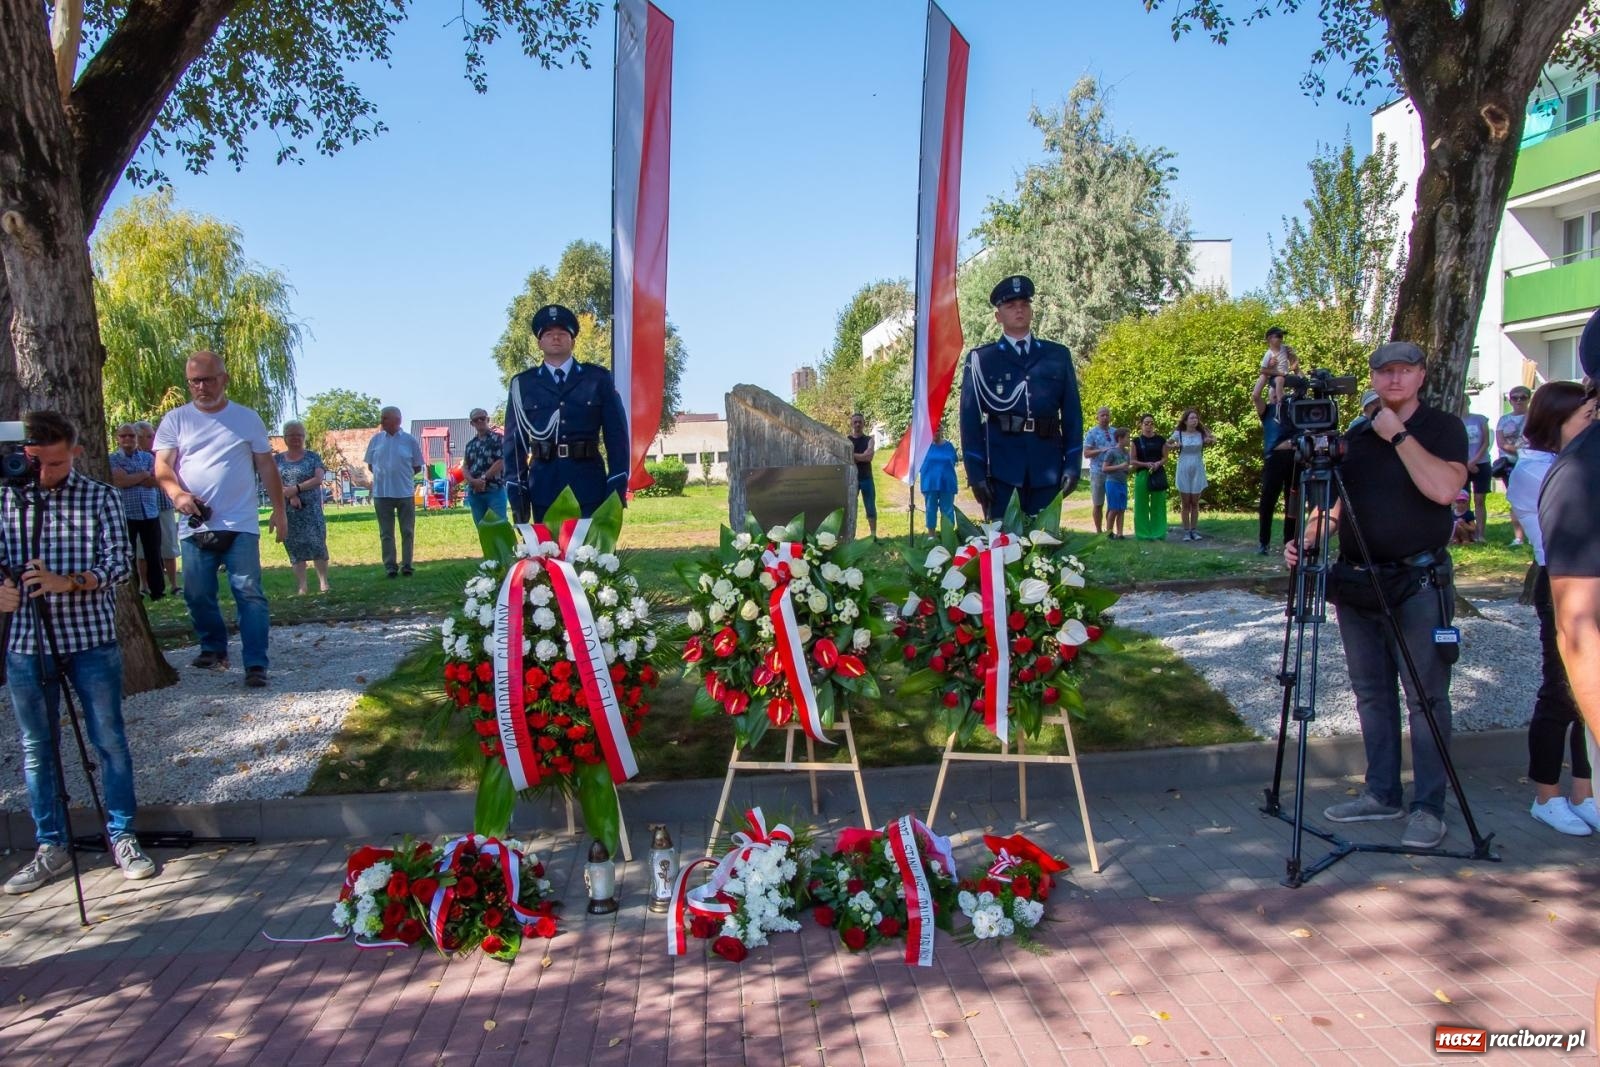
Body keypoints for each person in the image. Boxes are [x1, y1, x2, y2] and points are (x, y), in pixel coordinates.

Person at [1286, 341, 1467, 850]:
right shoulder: (1356, 438)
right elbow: (1332, 512)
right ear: (1373, 377)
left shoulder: (1442, 429)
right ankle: (1382, 793)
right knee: (1371, 693)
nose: (1394, 379)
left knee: (1426, 697)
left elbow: (1442, 490)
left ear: (1421, 375)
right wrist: (1306, 540)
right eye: (1385, 371)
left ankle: (1429, 807)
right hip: (1358, 582)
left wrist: (1399, 436)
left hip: (1419, 585)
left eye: (1404, 370)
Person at [0, 410, 155, 893]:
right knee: (37, 746)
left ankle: (122, 836)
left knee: (109, 740)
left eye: (56, 463)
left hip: (90, 641)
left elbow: (119, 564)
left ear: (76, 453)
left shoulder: (100, 496)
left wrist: (69, 582)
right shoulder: (5, 497)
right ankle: (50, 845)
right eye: (36, 462)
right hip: (26, 643)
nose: (45, 473)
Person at [154, 351, 286, 689]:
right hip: (195, 522)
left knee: (249, 592)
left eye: (208, 380)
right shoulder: (175, 420)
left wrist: (279, 509)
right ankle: (213, 647)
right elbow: (163, 467)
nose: (202, 387)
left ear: (224, 379)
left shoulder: (246, 418)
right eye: (194, 381)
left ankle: (255, 663)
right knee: (197, 593)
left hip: (239, 522)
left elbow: (266, 465)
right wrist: (177, 494)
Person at [1507, 381, 1598, 836]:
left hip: (1588, 575)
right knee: (1562, 691)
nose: (1594, 426)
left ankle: (1584, 790)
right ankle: (1546, 794)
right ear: (1557, 422)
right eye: (1587, 418)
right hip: (1561, 580)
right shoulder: (1539, 470)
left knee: (1590, 694)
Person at [959, 275, 1083, 520]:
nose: (1019, 310)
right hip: (1001, 469)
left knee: (1045, 540)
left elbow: (1072, 415)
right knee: (1001, 540)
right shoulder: (982, 359)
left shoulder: (1057, 356)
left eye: (1024, 304)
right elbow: (969, 421)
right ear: (998, 316)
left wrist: (1072, 465)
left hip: (1047, 466)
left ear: (1032, 311)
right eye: (1010, 305)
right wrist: (976, 474)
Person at [503, 304, 628, 523]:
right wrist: (517, 493)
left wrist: (616, 486)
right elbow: (514, 445)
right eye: (548, 334)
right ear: (539, 343)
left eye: (562, 333)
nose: (556, 338)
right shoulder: (523, 385)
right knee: (546, 546)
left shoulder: (597, 379)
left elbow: (617, 438)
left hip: (589, 485)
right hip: (543, 487)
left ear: (573, 341)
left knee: (591, 546)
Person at [364, 406, 423, 578]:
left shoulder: (410, 441)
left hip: (405, 493)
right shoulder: (376, 440)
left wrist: (401, 475)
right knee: (386, 533)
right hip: (382, 494)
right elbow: (370, 465)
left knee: (407, 531)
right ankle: (390, 566)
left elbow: (417, 466)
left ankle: (407, 565)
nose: (381, 421)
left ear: (397, 420)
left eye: (385, 418)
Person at [108, 422, 165, 600]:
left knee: (154, 553)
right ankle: (133, 590)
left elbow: (156, 481)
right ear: (117, 438)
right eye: (123, 435)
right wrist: (143, 475)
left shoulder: (148, 458)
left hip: (150, 512)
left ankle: (158, 591)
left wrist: (131, 477)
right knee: (128, 554)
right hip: (126, 514)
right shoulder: (112, 459)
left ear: (136, 438)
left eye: (131, 435)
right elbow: (119, 482)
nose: (127, 439)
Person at [276, 420, 330, 595]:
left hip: (312, 510)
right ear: (285, 437)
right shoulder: (277, 460)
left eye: (299, 435)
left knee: (318, 544)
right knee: (295, 547)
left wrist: (297, 489)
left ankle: (324, 583)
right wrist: (290, 495)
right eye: (292, 435)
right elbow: (273, 483)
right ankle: (302, 586)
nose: (296, 438)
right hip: (289, 511)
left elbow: (318, 479)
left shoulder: (313, 457)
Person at [1252, 369, 1300, 555]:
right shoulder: (1267, 411)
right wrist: (1266, 372)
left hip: (1295, 458)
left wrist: (1295, 368)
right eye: (1271, 391)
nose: (1274, 393)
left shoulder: (1292, 408)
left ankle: (1290, 542)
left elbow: (1302, 387)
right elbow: (1255, 395)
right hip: (1274, 459)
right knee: (1267, 501)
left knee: (1293, 501)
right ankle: (1263, 542)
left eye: (1277, 389)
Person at [135, 421, 179, 594]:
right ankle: (143, 585)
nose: (153, 439)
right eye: (148, 436)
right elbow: (128, 479)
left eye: (153, 435)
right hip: (142, 509)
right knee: (142, 550)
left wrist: (151, 478)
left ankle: (174, 585)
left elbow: (165, 477)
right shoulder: (134, 457)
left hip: (164, 505)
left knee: (169, 546)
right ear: (139, 438)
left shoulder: (161, 455)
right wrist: (146, 477)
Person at [1168, 408, 1213, 542]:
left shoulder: (1201, 433)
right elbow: (1166, 444)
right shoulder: (1179, 433)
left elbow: (1213, 438)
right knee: (1185, 502)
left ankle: (1194, 530)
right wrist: (1175, 446)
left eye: (1196, 418)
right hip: (1183, 467)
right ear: (1185, 421)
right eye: (1192, 418)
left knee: (1195, 502)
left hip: (1197, 467)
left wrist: (1210, 440)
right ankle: (1186, 531)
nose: (1194, 420)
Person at [1497, 386, 1531, 545]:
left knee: (1533, 498)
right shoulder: (1504, 420)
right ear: (1509, 400)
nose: (1518, 400)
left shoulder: (1535, 417)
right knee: (1515, 499)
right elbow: (1500, 442)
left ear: (1528, 399)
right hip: (1509, 463)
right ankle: (1518, 537)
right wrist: (1517, 451)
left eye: (1522, 397)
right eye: (1515, 397)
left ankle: (1534, 534)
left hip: (1531, 462)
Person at [463, 408, 507, 524]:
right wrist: (473, 481)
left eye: (482, 418)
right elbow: (465, 467)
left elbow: (501, 462)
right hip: (475, 493)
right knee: (482, 528)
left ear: (488, 419)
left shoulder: (499, 439)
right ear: (472, 423)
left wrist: (483, 479)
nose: (479, 421)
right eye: (476, 420)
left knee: (500, 526)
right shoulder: (470, 445)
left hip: (494, 490)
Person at [1130, 414, 1170, 541]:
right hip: (1142, 474)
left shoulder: (1161, 440)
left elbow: (1165, 458)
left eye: (1151, 423)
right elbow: (1132, 460)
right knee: (1141, 504)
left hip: (1158, 473)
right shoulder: (1136, 441)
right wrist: (1145, 464)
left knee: (1159, 504)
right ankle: (1143, 534)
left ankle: (1158, 532)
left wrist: (1158, 463)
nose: (1149, 426)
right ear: (1141, 425)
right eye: (1146, 423)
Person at [918, 422, 958, 535]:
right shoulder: (924, 447)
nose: (936, 432)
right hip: (930, 484)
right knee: (931, 509)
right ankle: (931, 535)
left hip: (947, 483)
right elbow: (918, 465)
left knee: (948, 510)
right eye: (933, 429)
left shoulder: (949, 446)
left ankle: (948, 535)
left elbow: (954, 461)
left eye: (938, 429)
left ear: (942, 430)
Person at [1083, 406, 1117, 534]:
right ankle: (1098, 531)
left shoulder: (1115, 432)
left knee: (1112, 503)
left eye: (1107, 415)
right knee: (1098, 503)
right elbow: (1086, 453)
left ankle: (1109, 531)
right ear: (1097, 417)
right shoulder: (1092, 433)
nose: (1105, 417)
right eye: (1102, 415)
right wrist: (1100, 450)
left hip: (1113, 472)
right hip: (1098, 472)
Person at [1461, 408, 1492, 542]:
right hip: (1462, 463)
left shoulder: (1480, 419)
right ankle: (1467, 533)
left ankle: (1480, 534)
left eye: (1466, 402)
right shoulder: (1455, 421)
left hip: (1482, 463)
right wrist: (1467, 463)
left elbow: (1486, 442)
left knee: (1479, 499)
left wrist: (1474, 461)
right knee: (1463, 499)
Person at [849, 413, 878, 538]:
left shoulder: (869, 440)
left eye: (860, 422)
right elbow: (845, 457)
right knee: (850, 507)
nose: (857, 424)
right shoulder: (847, 441)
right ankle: (849, 536)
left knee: (870, 507)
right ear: (851, 424)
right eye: (855, 422)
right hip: (851, 479)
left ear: (863, 423)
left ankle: (873, 536)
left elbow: (869, 457)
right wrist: (862, 456)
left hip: (866, 477)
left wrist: (852, 456)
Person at [1101, 428, 1131, 539]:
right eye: (1127, 437)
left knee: (1121, 509)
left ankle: (1120, 533)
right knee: (1113, 508)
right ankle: (1109, 532)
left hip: (1123, 482)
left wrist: (1129, 469)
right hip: (1112, 482)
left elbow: (1126, 468)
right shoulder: (1112, 452)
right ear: (1120, 438)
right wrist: (1120, 466)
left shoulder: (1127, 453)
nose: (1129, 439)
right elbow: (1104, 468)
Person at [1260, 325, 1300, 403]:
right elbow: (1262, 370)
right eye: (1278, 336)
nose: (1281, 339)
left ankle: (1298, 397)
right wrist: (1279, 373)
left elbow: (1294, 357)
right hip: (1275, 377)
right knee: (1280, 379)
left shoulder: (1285, 348)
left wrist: (1294, 359)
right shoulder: (1269, 354)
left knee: (1300, 380)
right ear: (1270, 338)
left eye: (1282, 336)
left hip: (1285, 375)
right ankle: (1281, 400)